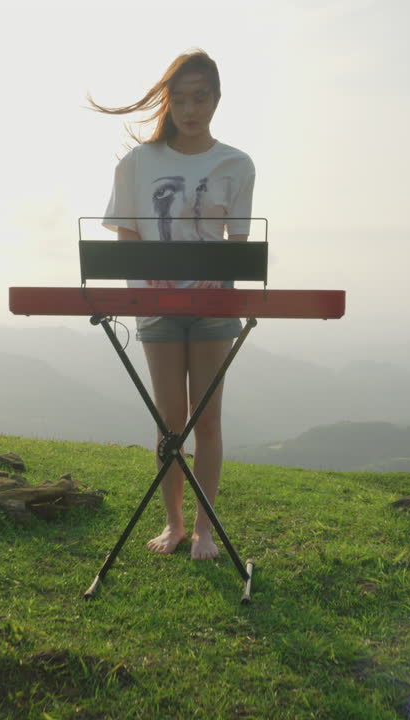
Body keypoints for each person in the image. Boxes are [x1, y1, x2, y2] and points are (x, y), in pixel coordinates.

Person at [92, 49, 255, 560]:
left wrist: (216, 275)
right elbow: (125, 232)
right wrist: (148, 275)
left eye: (200, 97)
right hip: (157, 304)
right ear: (168, 101)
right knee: (170, 421)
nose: (190, 108)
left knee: (207, 420)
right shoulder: (137, 163)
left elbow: (239, 240)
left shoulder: (236, 163)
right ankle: (174, 525)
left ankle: (205, 531)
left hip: (213, 305)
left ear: (217, 99)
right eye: (179, 98)